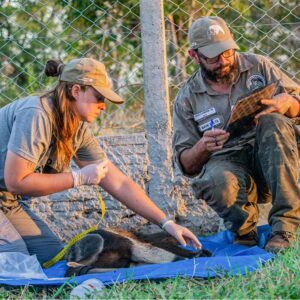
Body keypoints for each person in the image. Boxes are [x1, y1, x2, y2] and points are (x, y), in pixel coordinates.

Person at [0, 57, 201, 265]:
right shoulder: (36, 114)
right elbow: (17, 181)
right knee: (13, 262)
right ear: (76, 91)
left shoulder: (76, 127)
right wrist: (78, 178)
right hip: (9, 193)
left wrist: (167, 223)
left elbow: (118, 182)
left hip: (7, 201)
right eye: (98, 97)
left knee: (50, 258)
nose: (103, 106)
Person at [172, 16, 300, 253]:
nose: (223, 61)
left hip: (273, 158)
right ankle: (244, 233)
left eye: (227, 52)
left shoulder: (259, 66)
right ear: (194, 55)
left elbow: (296, 102)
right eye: (213, 56)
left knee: (273, 121)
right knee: (214, 178)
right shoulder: (188, 97)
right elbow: (186, 165)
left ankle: (284, 228)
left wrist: (290, 103)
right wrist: (202, 146)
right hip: (229, 163)